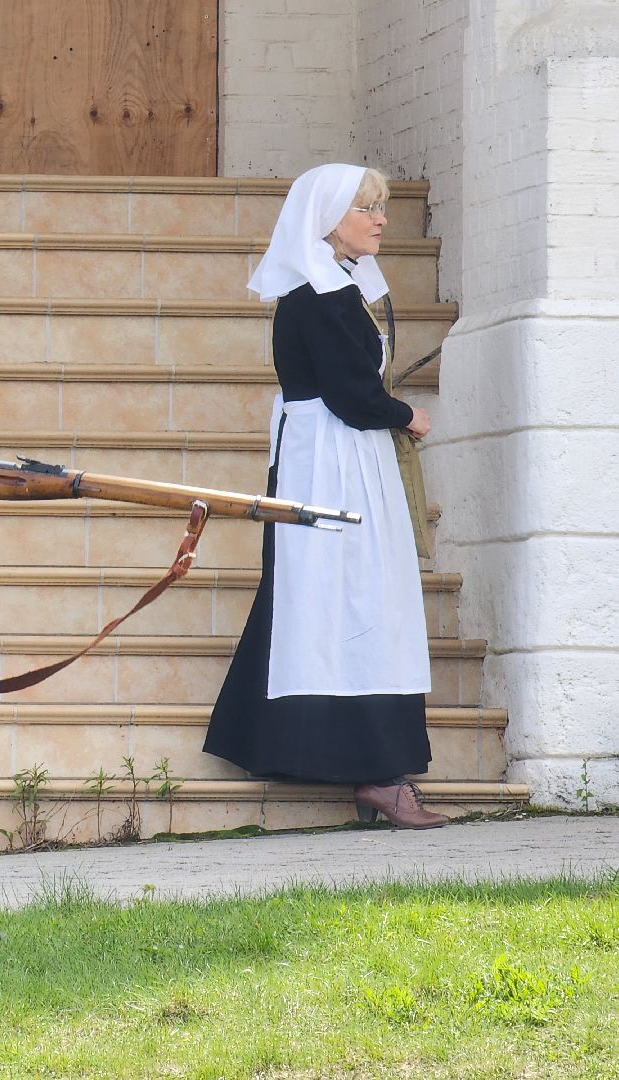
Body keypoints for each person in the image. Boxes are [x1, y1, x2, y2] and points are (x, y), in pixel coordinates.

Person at [202, 163, 445, 830]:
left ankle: (367, 769)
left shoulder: (334, 287)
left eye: (380, 207)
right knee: (340, 598)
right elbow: (351, 394)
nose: (380, 219)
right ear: (329, 216)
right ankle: (373, 773)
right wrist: (404, 415)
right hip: (331, 464)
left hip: (338, 458)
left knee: (340, 598)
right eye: (366, 207)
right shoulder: (317, 292)